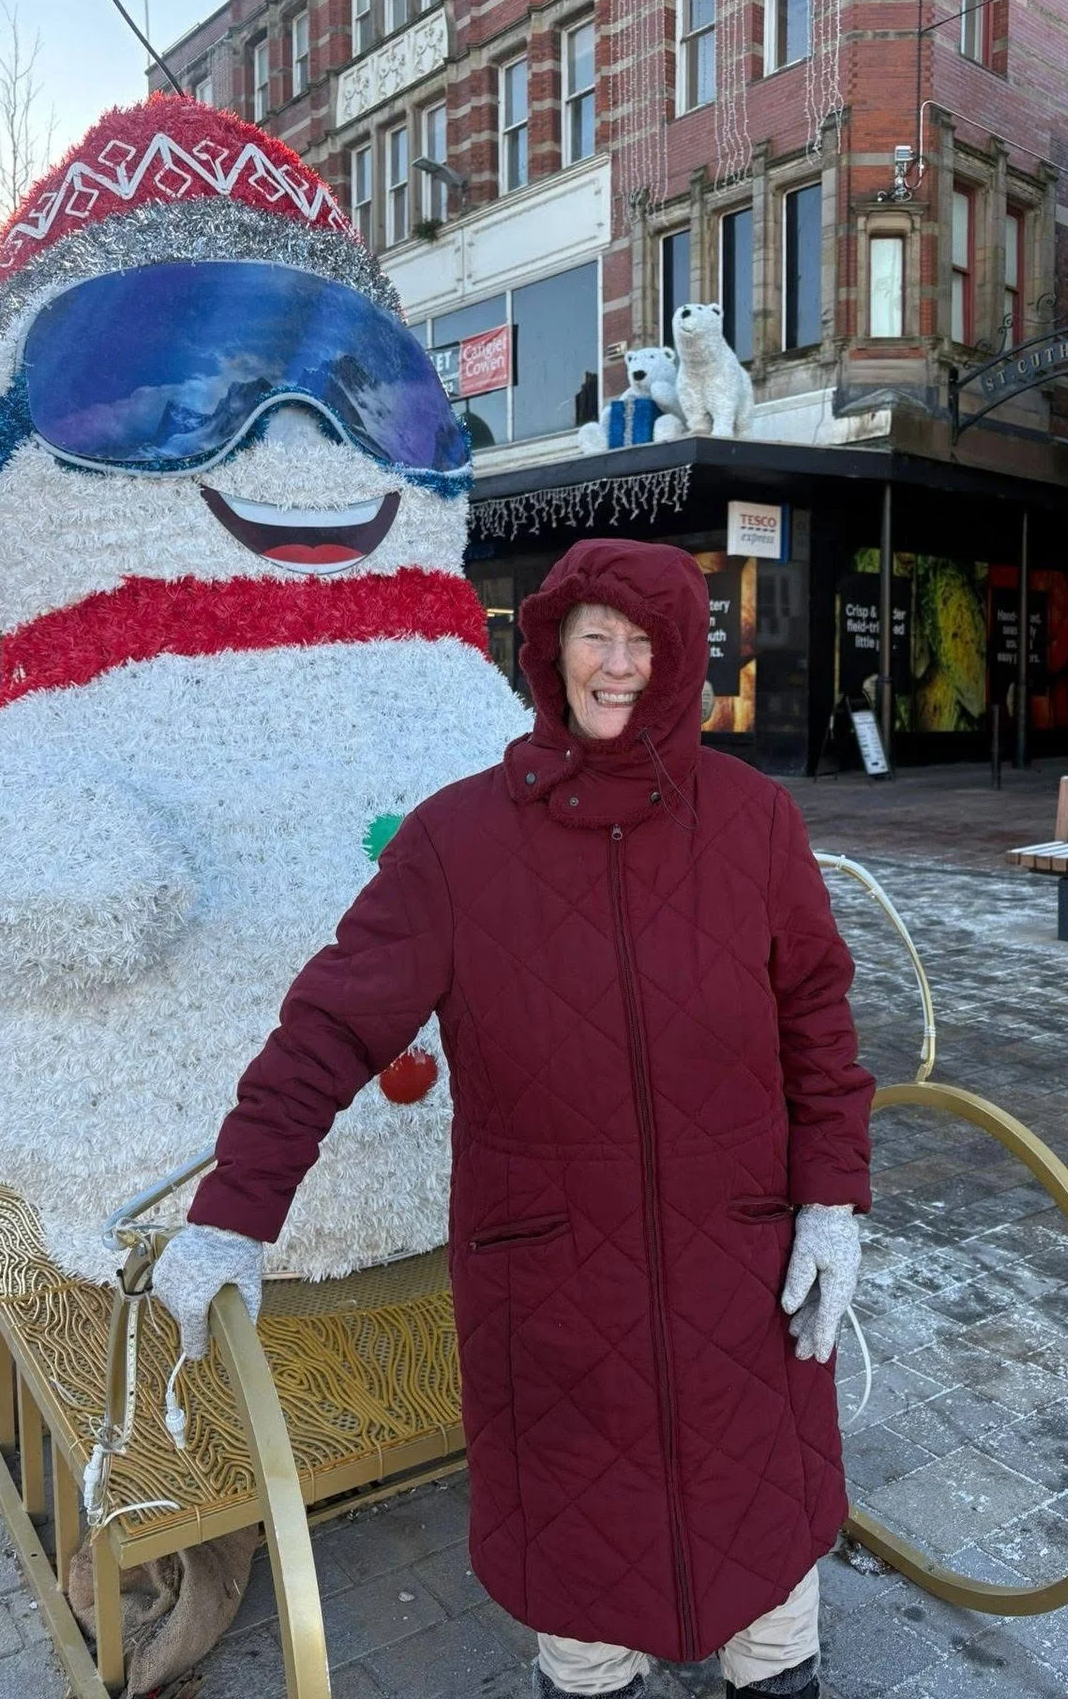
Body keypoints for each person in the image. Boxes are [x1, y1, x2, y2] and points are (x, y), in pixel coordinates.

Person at [153, 538, 873, 1698]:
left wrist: (831, 1199)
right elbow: (329, 1029)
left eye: (646, 643)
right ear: (550, 649)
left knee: (767, 1570)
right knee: (582, 1598)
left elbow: (818, 1026)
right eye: (595, 635)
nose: (617, 665)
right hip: (552, 1291)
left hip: (741, 1270)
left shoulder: (754, 821)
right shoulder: (458, 841)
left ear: (684, 660)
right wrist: (233, 1214)